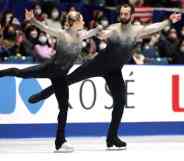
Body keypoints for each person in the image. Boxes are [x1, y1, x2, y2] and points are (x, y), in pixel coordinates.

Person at [28, 3, 181, 149]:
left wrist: (168, 20)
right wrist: (101, 33)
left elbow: (152, 27)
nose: (123, 15)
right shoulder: (114, 28)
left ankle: (112, 137)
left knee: (120, 102)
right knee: (68, 80)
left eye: (126, 14)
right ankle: (44, 93)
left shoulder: (137, 30)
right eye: (121, 13)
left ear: (132, 16)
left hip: (114, 71)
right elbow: (104, 33)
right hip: (98, 64)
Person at [0, 9, 102, 152]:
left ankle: (60, 142)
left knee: (64, 107)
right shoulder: (62, 34)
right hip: (49, 68)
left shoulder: (81, 35)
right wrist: (33, 20)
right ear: (75, 23)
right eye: (82, 19)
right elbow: (45, 28)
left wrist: (100, 28)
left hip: (60, 76)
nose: (84, 22)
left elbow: (94, 31)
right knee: (20, 73)